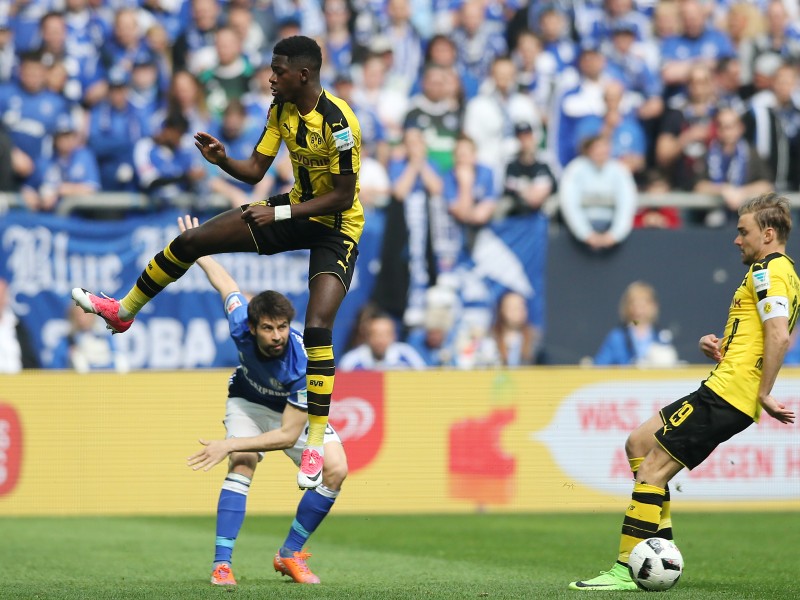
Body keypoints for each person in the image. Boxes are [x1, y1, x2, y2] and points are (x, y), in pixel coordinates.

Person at [72, 35, 363, 490]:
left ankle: (314, 443)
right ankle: (124, 310)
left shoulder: (339, 122)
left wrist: (280, 212)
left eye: (278, 70)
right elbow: (255, 171)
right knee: (192, 240)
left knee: (320, 327)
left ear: (303, 74)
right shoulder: (280, 109)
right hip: (293, 210)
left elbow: (343, 195)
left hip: (335, 227)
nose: (270, 78)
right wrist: (223, 161)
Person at [570, 192, 798, 591]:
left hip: (729, 395)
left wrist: (764, 392)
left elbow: (780, 335)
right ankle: (663, 549)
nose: (735, 239)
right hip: (723, 386)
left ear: (767, 233)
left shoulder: (768, 272)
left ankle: (627, 567)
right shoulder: (779, 273)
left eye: (742, 231)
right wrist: (720, 348)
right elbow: (764, 335)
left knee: (654, 469)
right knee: (638, 443)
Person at [180, 216, 346, 588]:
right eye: (268, 328)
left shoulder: (303, 363)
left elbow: (288, 436)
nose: (277, 336)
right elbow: (226, 284)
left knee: (336, 469)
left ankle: (289, 553)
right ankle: (222, 565)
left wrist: (228, 442)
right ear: (253, 328)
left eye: (283, 327)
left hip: (292, 412)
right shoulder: (240, 322)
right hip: (249, 401)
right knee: (242, 463)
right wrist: (196, 247)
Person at [593, 281, 678, 367]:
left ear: (654, 306)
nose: (639, 310)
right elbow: (599, 366)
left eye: (644, 304)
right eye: (634, 303)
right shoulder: (618, 336)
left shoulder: (662, 336)